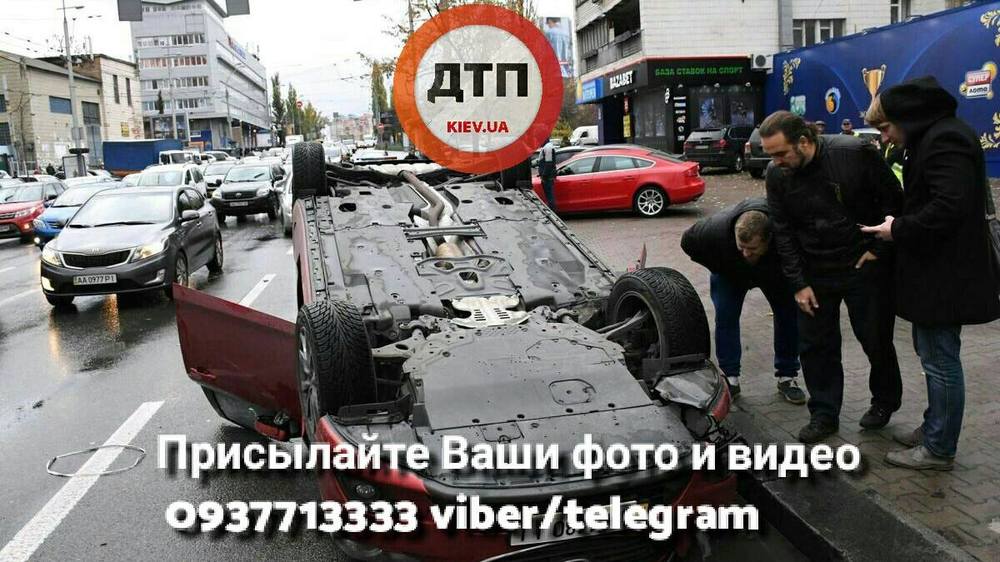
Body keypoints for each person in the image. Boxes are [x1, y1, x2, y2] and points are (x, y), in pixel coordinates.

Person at [862, 77, 1000, 470]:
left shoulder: (945, 140)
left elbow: (948, 206)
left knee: (940, 362)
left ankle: (939, 448)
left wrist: (898, 229)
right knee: (932, 358)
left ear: (908, 117)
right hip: (934, 274)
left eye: (885, 127)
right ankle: (933, 427)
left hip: (946, 277)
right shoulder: (932, 137)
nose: (885, 138)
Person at [759, 110, 904, 443]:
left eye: (781, 153)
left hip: (861, 264)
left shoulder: (854, 154)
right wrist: (798, 283)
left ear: (804, 141)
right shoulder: (777, 174)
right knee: (816, 346)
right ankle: (824, 413)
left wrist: (878, 251)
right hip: (814, 271)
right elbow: (782, 230)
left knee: (875, 338)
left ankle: (884, 401)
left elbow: (895, 202)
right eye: (770, 155)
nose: (776, 162)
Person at [681, 198, 806, 404]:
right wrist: (719, 266)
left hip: (773, 272)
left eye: (753, 248)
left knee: (788, 316)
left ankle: (787, 376)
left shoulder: (786, 231)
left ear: (768, 239)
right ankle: (730, 378)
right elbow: (687, 243)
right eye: (742, 247)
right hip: (730, 271)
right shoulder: (712, 231)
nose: (747, 253)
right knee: (726, 317)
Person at [538, 141, 557, 212]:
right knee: (549, 195)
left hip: (547, 177)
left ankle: (552, 212)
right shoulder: (547, 147)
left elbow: (549, 163)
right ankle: (552, 211)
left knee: (549, 196)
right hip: (548, 176)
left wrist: (544, 175)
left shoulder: (548, 147)